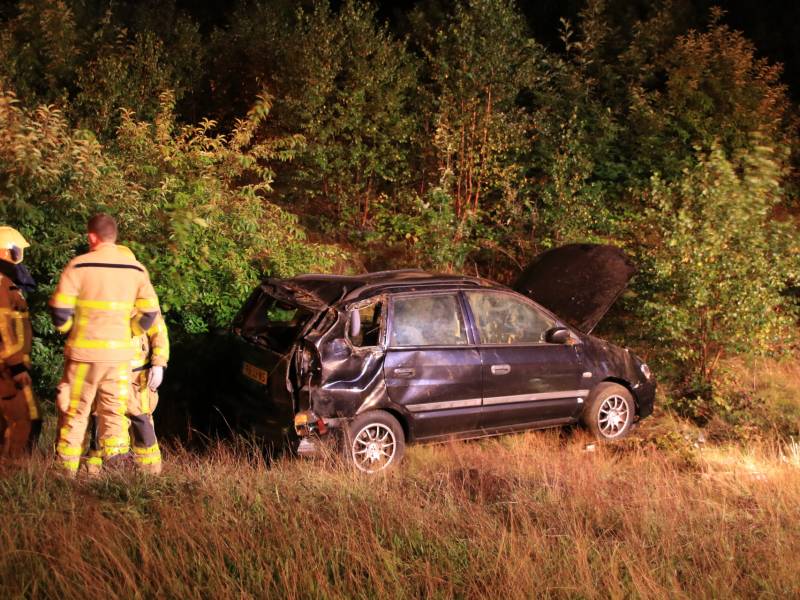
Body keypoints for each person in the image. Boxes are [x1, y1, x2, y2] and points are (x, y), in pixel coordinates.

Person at [50, 214, 160, 476]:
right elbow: (150, 314)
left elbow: (59, 312)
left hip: (83, 357)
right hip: (119, 359)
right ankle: (117, 477)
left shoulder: (78, 266)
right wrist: (128, 332)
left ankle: (63, 477)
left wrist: (71, 331)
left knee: (76, 414)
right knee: (113, 415)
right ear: (115, 237)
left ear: (91, 237)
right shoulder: (136, 270)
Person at [0, 226, 41, 457]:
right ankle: (15, 474)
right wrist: (17, 366)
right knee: (25, 420)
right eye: (15, 251)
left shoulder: (7, 283)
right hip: (7, 368)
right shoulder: (2, 284)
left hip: (9, 365)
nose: (19, 258)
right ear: (5, 252)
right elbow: (3, 327)